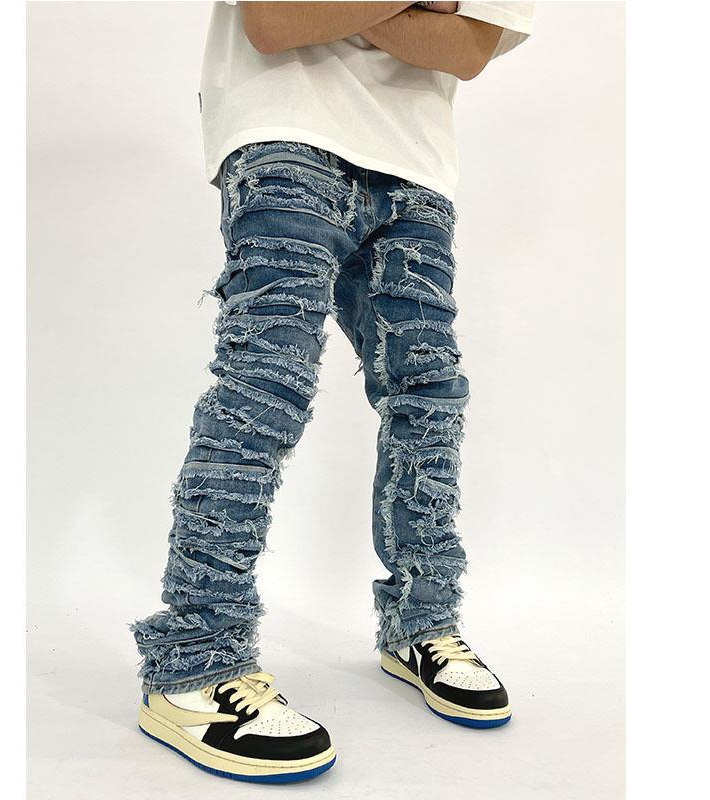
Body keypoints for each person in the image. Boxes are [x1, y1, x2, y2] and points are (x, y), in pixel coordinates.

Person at [132, 0, 534, 783]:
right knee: (264, 385)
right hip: (282, 135)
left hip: (416, 167)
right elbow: (274, 21)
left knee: (428, 399)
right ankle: (193, 663)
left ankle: (420, 622)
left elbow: (468, 49)